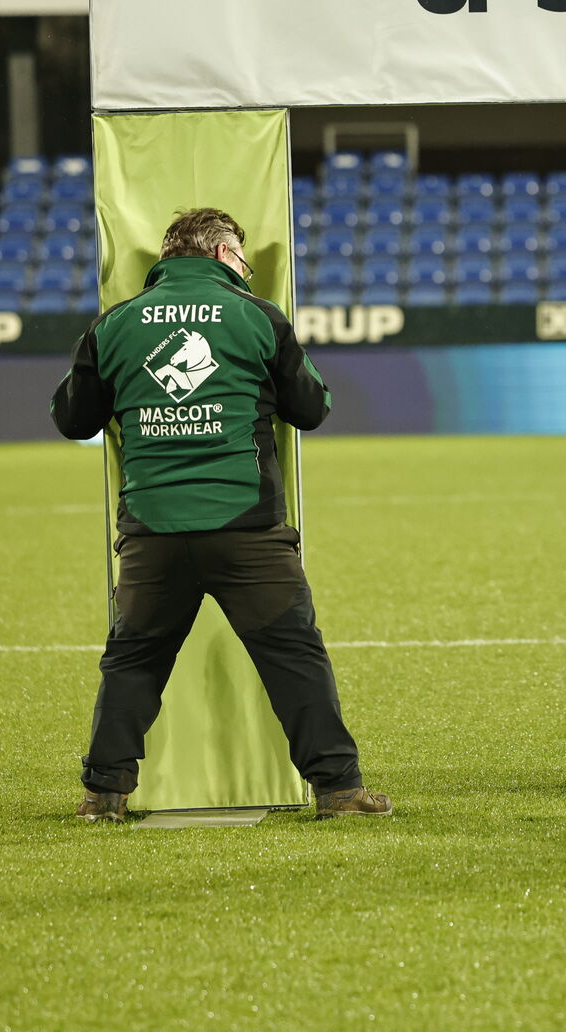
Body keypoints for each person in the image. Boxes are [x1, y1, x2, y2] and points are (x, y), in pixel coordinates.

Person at [51, 207, 390, 821]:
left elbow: (73, 419)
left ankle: (103, 797)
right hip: (247, 529)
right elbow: (310, 408)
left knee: (133, 664)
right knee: (294, 658)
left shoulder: (114, 325)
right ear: (222, 254)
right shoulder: (258, 317)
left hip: (151, 531)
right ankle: (339, 792)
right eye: (243, 258)